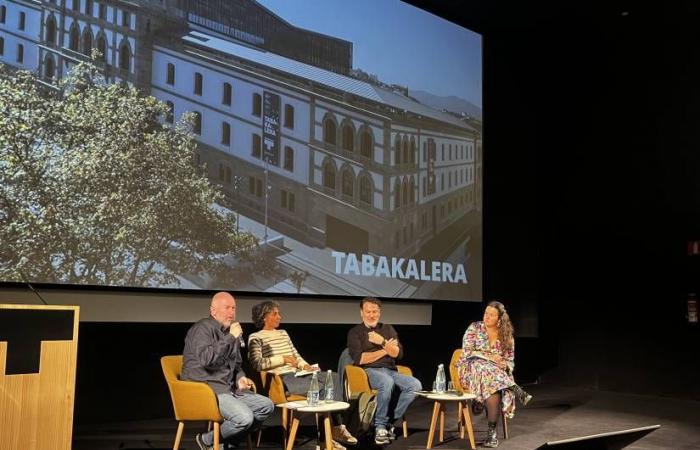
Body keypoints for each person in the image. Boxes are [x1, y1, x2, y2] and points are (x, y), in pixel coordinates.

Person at [247, 300, 357, 449]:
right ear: (264, 317)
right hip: (282, 380)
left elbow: (295, 355)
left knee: (333, 377)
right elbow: (257, 363)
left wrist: (305, 366)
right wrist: (283, 359)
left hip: (299, 374)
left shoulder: (283, 333)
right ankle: (326, 438)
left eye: (279, 313)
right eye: (275, 314)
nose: (279, 316)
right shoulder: (256, 337)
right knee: (319, 388)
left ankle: (336, 428)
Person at [182, 292, 274, 450]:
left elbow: (236, 364)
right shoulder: (202, 329)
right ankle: (207, 440)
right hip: (206, 389)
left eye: (234, 308)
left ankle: (222, 443)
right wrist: (231, 337)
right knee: (244, 418)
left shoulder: (231, 332)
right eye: (227, 308)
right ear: (213, 311)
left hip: (227, 388)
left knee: (266, 406)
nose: (232, 312)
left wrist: (240, 377)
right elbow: (207, 360)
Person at [456, 301, 532, 448]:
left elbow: (510, 361)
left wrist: (505, 365)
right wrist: (489, 357)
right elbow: (467, 351)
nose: (487, 317)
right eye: (486, 313)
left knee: (493, 383)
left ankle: (492, 434)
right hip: (470, 368)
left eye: (492, 315)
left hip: (493, 377)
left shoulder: (507, 335)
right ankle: (514, 387)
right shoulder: (475, 328)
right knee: (484, 366)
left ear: (500, 318)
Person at [347, 297, 422, 445]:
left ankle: (386, 422)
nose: (371, 315)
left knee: (415, 386)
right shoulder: (355, 332)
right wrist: (385, 349)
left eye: (375, 311)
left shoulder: (388, 328)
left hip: (391, 370)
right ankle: (380, 427)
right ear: (361, 313)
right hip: (369, 371)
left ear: (379, 313)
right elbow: (360, 359)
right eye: (368, 312)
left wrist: (381, 341)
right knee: (386, 382)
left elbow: (397, 354)